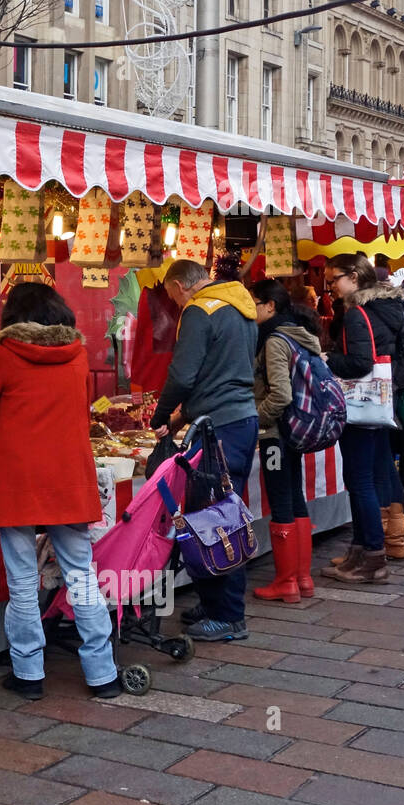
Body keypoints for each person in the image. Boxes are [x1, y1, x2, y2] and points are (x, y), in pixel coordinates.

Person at [0, 282, 120, 700]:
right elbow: (80, 417)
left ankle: (29, 674)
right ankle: (103, 674)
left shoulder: (3, 355)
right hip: (68, 476)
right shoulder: (78, 356)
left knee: (23, 580)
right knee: (82, 575)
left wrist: (11, 435)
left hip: (17, 480)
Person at [149, 258, 259, 641]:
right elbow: (222, 371)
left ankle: (229, 616)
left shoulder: (198, 311)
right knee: (220, 510)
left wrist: (162, 414)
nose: (174, 305)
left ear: (180, 286)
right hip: (240, 420)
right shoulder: (238, 304)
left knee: (217, 518)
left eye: (171, 296)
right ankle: (214, 602)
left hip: (218, 429)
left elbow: (183, 374)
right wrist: (181, 420)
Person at [322, 254, 404, 584]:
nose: (329, 286)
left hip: (360, 408)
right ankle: (361, 550)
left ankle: (372, 555)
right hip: (378, 406)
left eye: (333, 280)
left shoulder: (358, 313)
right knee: (367, 479)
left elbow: (359, 363)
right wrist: (397, 380)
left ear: (355, 278)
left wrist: (328, 358)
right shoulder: (387, 307)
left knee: (360, 482)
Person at [250, 279, 324, 603]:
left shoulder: (275, 340)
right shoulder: (301, 335)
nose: (250, 309)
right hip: (296, 432)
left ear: (270, 305)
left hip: (275, 435)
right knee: (295, 496)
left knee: (281, 498)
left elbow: (280, 393)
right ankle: (302, 578)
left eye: (254, 302)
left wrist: (259, 418)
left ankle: (285, 582)